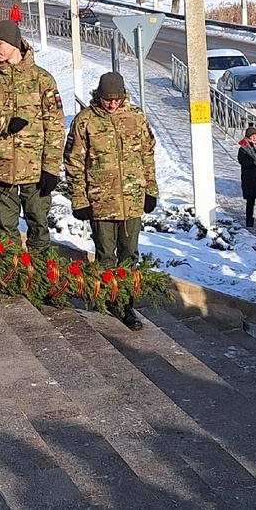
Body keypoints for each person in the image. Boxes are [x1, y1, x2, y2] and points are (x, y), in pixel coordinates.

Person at [65, 71, 157, 331]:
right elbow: (73, 162)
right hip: (101, 202)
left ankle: (126, 303)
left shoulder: (136, 117)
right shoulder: (85, 121)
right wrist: (79, 199)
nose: (112, 104)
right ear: (100, 96)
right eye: (107, 100)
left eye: (116, 100)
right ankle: (108, 298)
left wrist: (151, 190)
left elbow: (147, 155)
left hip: (131, 200)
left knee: (129, 255)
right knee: (106, 256)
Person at [0, 19, 64, 250]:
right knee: (5, 233)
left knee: (39, 228)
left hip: (34, 170)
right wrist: (3, 124)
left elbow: (55, 127)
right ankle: (11, 275)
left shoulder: (42, 80)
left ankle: (40, 277)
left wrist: (50, 168)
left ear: (13, 44)